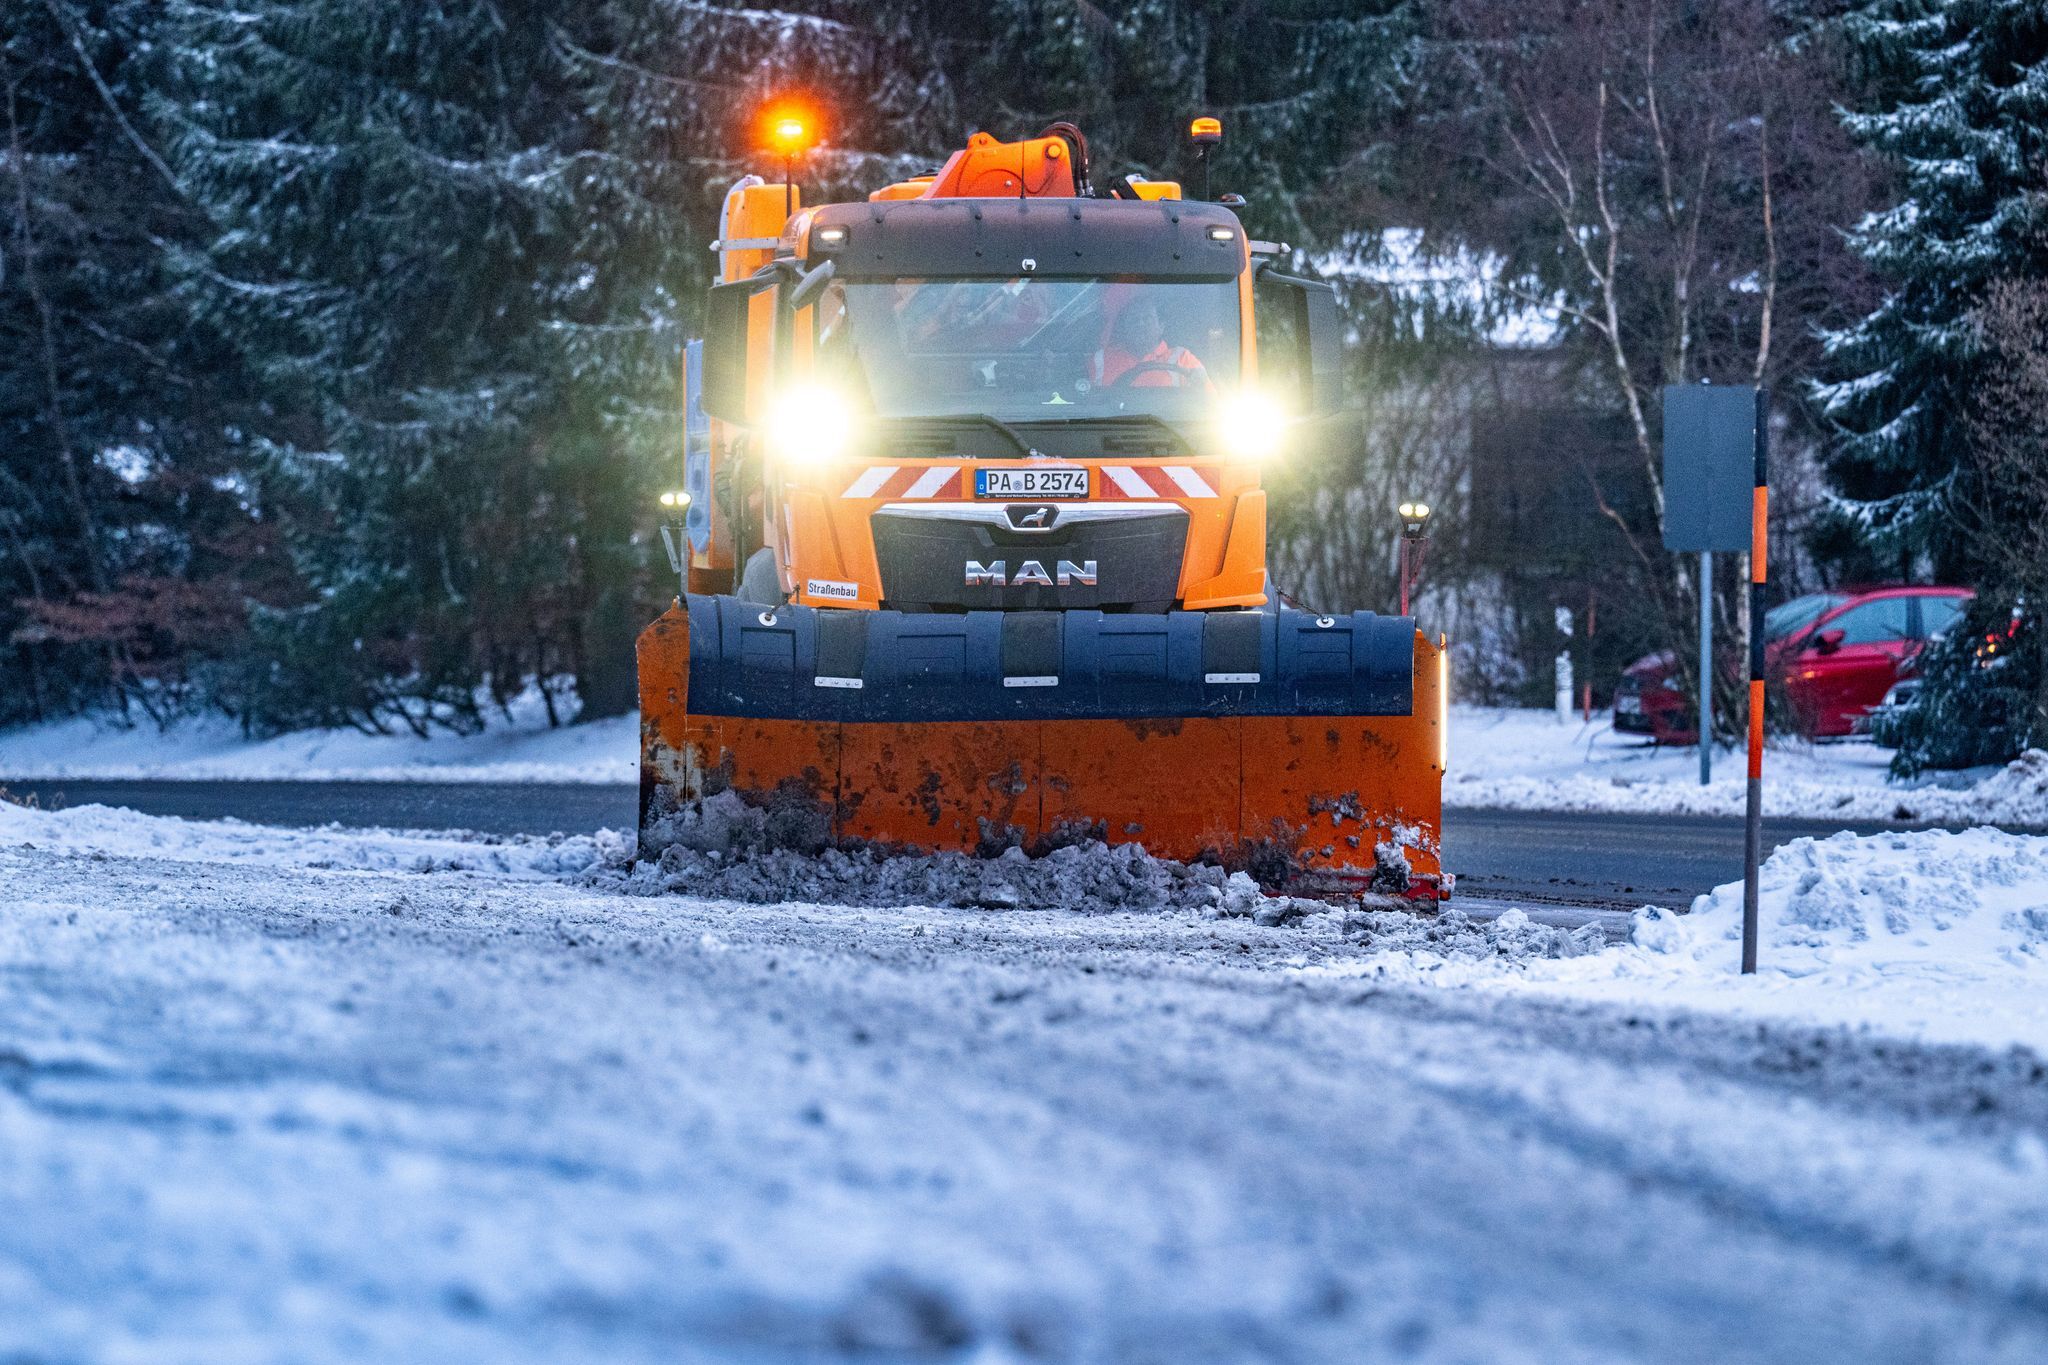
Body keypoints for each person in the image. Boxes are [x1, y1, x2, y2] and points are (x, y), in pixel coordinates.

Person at [1090, 297, 1207, 388]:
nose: (1140, 324)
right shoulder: (1101, 360)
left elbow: (1209, 403)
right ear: (1124, 328)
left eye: (1147, 318)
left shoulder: (1183, 359)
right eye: (1133, 319)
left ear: (1161, 326)